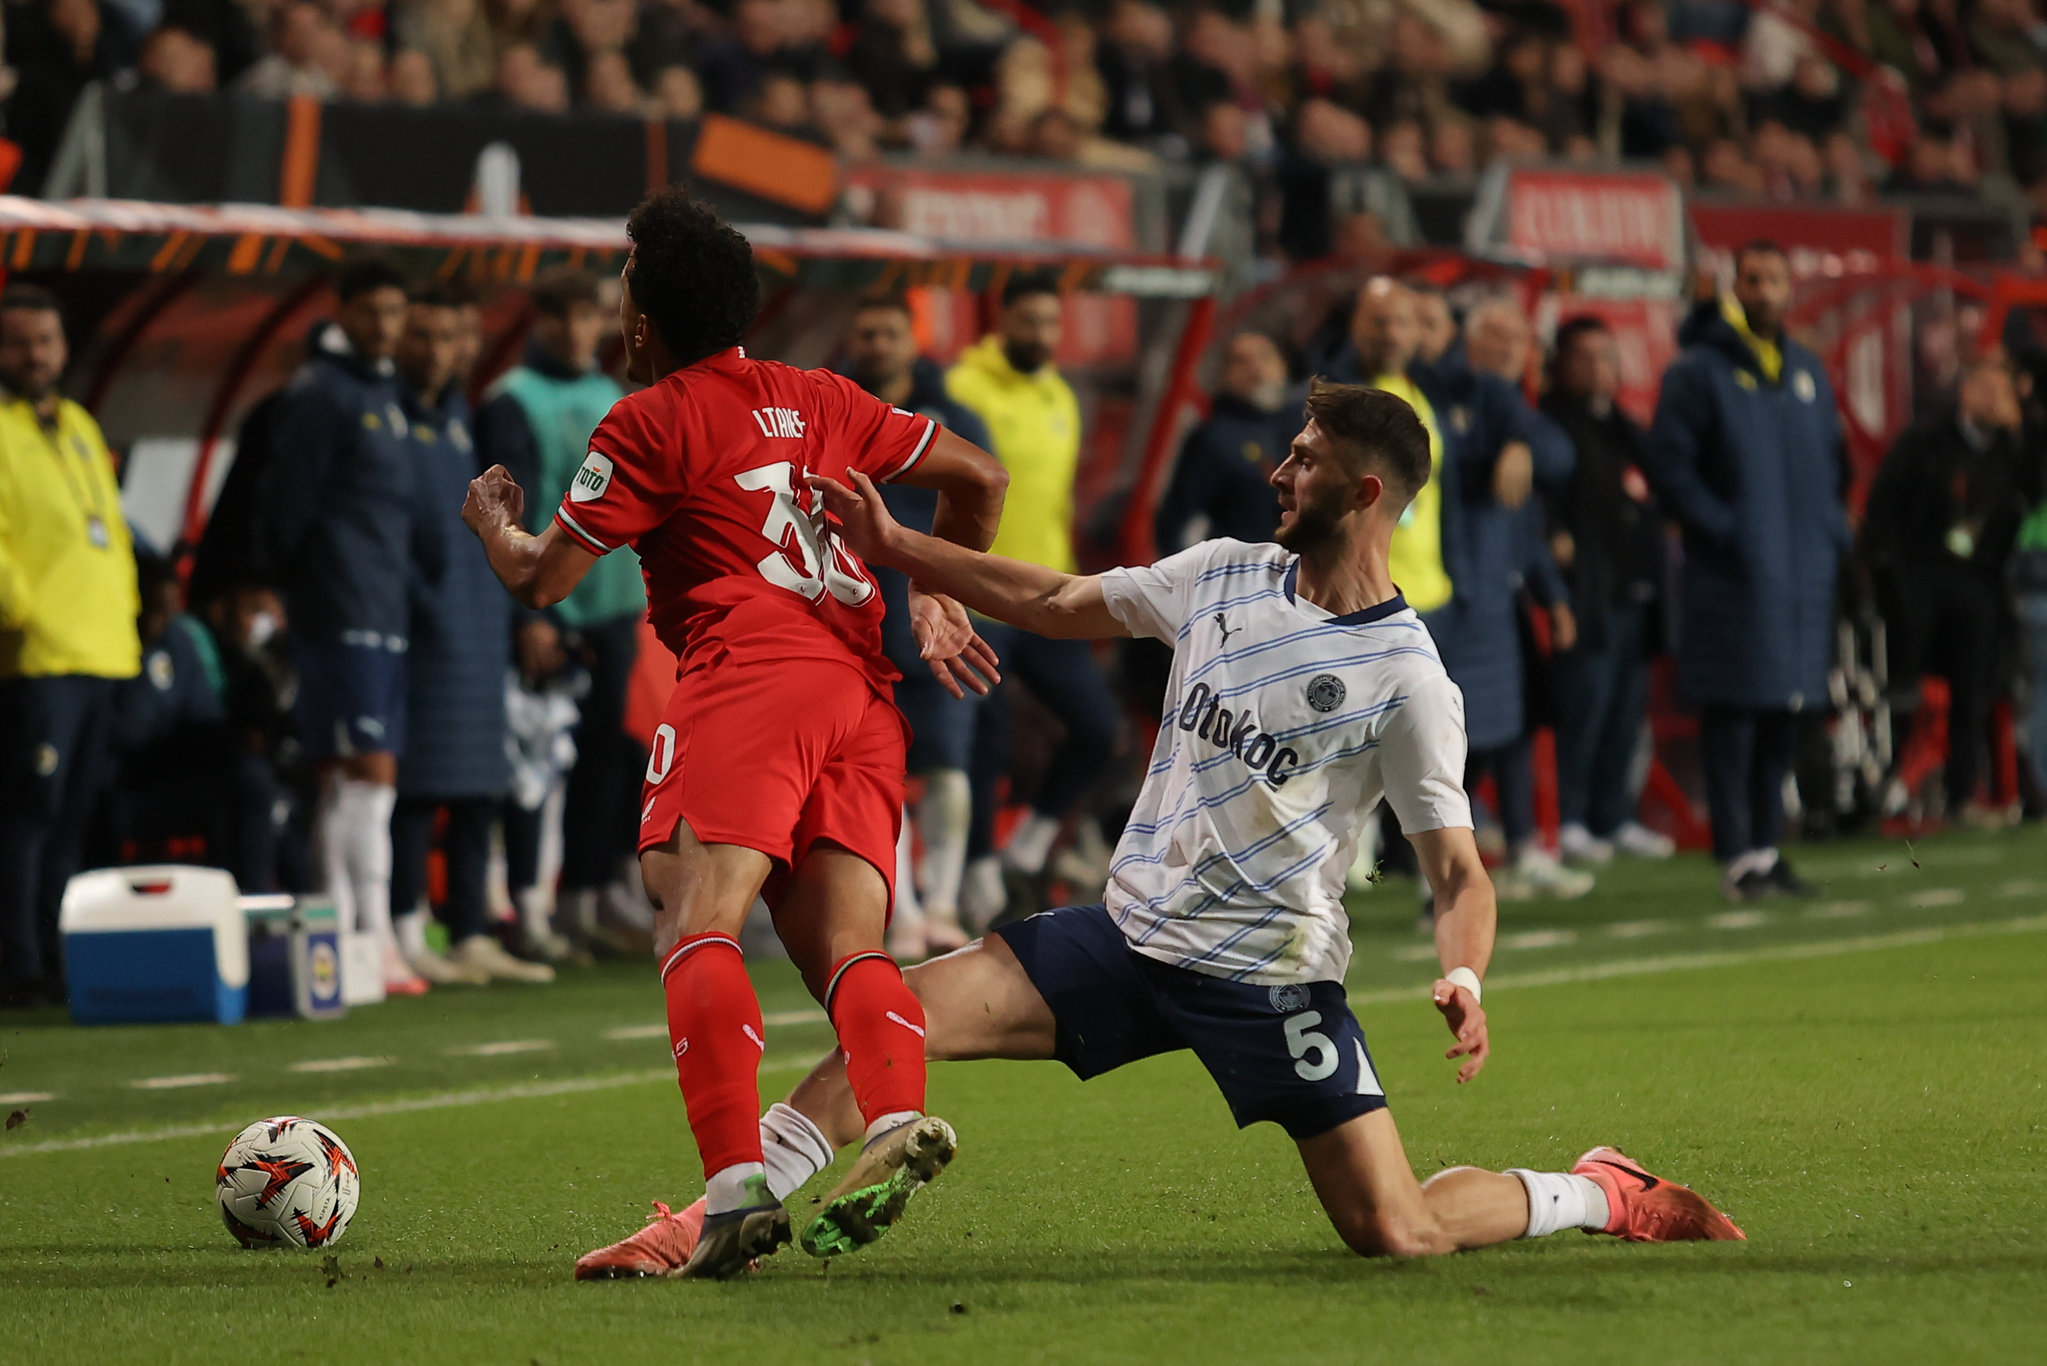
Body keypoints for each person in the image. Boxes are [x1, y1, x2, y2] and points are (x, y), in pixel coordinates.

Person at [575, 380, 1745, 1278]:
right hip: (1127, 937)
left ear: (1367, 493)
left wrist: (1464, 975)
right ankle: (712, 1216)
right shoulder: (1225, 574)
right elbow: (1054, 600)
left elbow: (1457, 872)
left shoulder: (1406, 678)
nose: (1278, 470)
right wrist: (900, 553)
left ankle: (1598, 1189)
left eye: (1304, 458)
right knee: (888, 1011)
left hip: (1269, 982)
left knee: (1400, 1234)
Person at [462, 189, 1009, 1279]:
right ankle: (896, 1115)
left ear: (642, 320)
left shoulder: (648, 420)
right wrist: (938, 591)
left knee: (694, 918)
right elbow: (978, 477)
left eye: (623, 290)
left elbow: (541, 579)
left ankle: (731, 1191)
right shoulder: (823, 395)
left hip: (748, 676)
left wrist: (491, 520)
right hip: (860, 692)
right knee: (848, 952)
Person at [254, 256, 445, 995]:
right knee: (365, 773)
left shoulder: (384, 394)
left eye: (396, 314)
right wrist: (302, 592)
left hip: (382, 608)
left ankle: (350, 945)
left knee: (354, 777)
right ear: (343, 314)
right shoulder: (321, 396)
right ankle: (364, 938)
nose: (386, 328)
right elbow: (286, 507)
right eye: (373, 313)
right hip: (341, 611)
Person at [1644, 242, 1848, 902]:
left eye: (1773, 278)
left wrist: (1829, 537)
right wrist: (1726, 532)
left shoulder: (1807, 371)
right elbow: (1669, 469)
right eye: (1750, 279)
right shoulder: (1697, 372)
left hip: (1800, 578)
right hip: (1734, 575)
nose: (1762, 290)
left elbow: (1833, 466)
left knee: (1782, 716)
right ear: (1731, 288)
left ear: (1789, 288)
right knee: (1734, 717)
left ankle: (1766, 848)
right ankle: (1736, 857)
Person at [387, 286, 553, 987]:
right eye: (423, 334)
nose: (439, 350)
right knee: (418, 785)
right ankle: (401, 926)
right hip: (419, 622)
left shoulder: (460, 415)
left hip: (473, 617)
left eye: (451, 334)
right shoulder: (383, 414)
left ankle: (470, 930)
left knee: (478, 781)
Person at [475, 268, 643, 959]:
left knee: (607, 755)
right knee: (534, 762)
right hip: (546, 607)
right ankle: (523, 905)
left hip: (614, 604)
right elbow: (501, 511)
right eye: (560, 319)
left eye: (586, 318)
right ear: (536, 323)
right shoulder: (510, 400)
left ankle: (580, 899)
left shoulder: (614, 395)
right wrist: (526, 616)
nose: (575, 333)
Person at [946, 271, 1119, 912]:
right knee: (983, 740)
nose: (1042, 335)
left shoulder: (1060, 396)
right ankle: (979, 872)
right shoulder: (965, 389)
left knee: (1098, 728)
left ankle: (1029, 848)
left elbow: (1055, 502)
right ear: (1003, 321)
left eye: (1051, 323)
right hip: (981, 594)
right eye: (1029, 322)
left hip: (1049, 594)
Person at [1416, 292, 1589, 901]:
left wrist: (1554, 594)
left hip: (1497, 593)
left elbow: (1553, 465)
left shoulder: (1502, 406)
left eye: (1520, 341)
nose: (1510, 351)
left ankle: (1520, 849)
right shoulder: (1434, 394)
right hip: (1441, 593)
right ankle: (1425, 873)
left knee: (1509, 728)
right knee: (1448, 741)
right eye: (1497, 338)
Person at [837, 291, 994, 959]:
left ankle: (943, 907)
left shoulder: (953, 420)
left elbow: (982, 498)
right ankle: (899, 913)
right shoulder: (830, 418)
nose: (877, 345)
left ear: (912, 341)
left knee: (949, 764)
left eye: (888, 334)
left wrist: (955, 587)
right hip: (856, 619)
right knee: (879, 769)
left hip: (937, 614)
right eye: (865, 334)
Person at [0, 285, 141, 1006]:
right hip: (38, 655)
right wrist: (19, 612)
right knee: (28, 815)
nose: (36, 355)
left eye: (46, 340)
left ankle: (56, 956)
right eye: (20, 342)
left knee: (74, 817)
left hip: (102, 650)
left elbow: (110, 532)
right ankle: (17, 962)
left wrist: (130, 616)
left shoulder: (80, 422)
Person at [1861, 355, 2026, 827]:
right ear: (1966, 389)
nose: (1994, 400)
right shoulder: (1925, 439)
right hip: (1920, 580)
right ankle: (1894, 789)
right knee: (1911, 686)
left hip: (1977, 584)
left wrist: (2023, 430)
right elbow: (1885, 504)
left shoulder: (2011, 451)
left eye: (2003, 390)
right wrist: (1890, 568)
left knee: (1971, 693)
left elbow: (2030, 492)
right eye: (1986, 387)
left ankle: (1959, 795)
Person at [1541, 316, 1674, 864]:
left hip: (1633, 591)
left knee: (1625, 708)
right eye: (1585, 356)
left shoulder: (1624, 427)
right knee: (1583, 707)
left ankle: (1613, 814)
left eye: (1606, 356)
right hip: (1586, 595)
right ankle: (1571, 818)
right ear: (1561, 364)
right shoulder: (1550, 429)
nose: (1598, 368)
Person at [1153, 331, 1291, 554]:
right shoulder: (1213, 438)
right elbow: (1176, 522)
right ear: (1223, 375)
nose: (1256, 369)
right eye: (1241, 361)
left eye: (1264, 357)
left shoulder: (1301, 427)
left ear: (1283, 365)